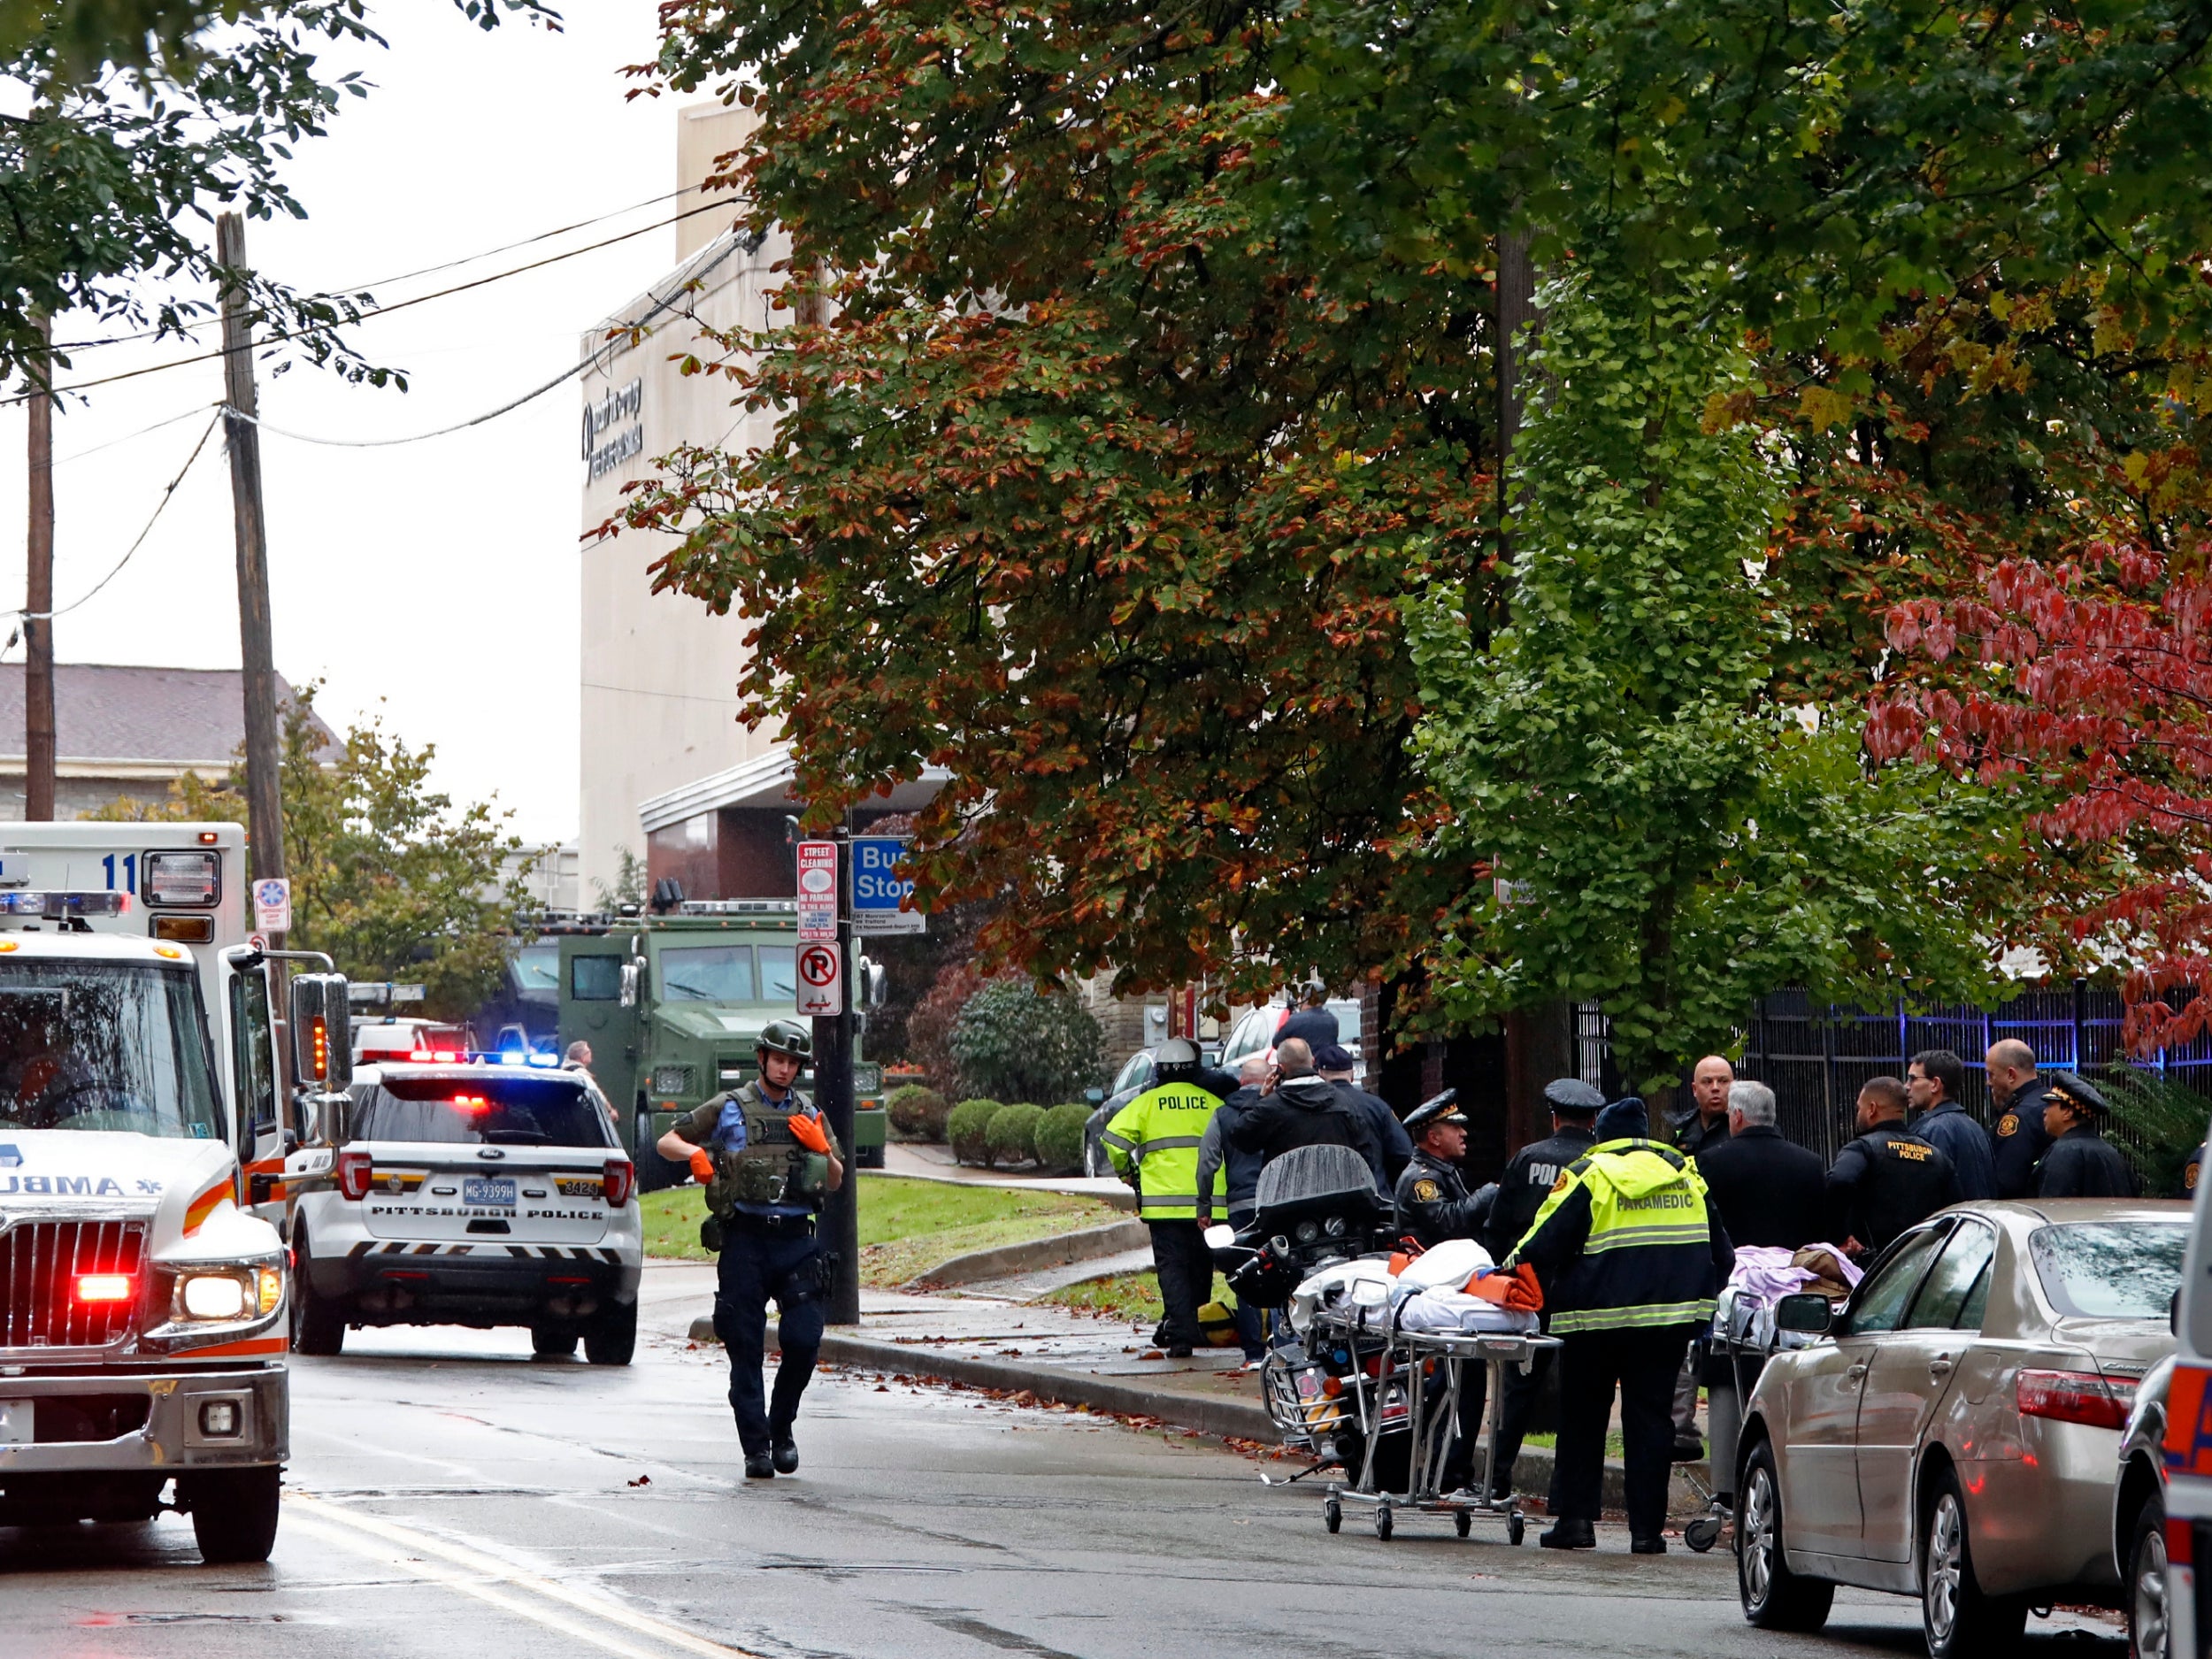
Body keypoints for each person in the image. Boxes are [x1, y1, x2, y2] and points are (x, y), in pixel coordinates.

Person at [1508, 1097, 1734, 1555]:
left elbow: (1540, 1241)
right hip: (1666, 1325)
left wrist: (1505, 1269)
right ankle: (1647, 1533)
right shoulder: (1687, 1178)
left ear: (1601, 1137)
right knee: (1652, 1422)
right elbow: (1724, 1256)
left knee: (1583, 1418)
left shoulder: (1591, 1175)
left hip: (1594, 1322)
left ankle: (1575, 1523)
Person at [656, 1018, 843, 1480]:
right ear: (762, 1059)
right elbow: (667, 1141)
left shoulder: (809, 1112)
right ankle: (756, 1447)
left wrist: (823, 1151)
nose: (784, 1069)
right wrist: (695, 1155)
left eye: (792, 1062)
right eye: (777, 1059)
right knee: (744, 1346)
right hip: (746, 1240)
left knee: (803, 1341)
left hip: (797, 1241)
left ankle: (782, 1429)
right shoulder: (730, 1106)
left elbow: (835, 1180)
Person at [1688, 1079, 1827, 1510]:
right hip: (1789, 1302)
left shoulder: (1710, 1163)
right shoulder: (1809, 1164)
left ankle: (1727, 1490)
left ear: (1737, 1117)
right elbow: (1818, 1238)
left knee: (1726, 1385)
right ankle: (1785, 1487)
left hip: (1734, 1295)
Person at [1481, 1077, 1603, 1500]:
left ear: (1553, 1117)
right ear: (1593, 1120)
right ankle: (1565, 1493)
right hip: (1584, 1291)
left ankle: (1496, 1479)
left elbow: (1497, 1228)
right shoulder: (1599, 1162)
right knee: (1581, 1389)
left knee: (1518, 1388)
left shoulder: (1527, 1159)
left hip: (1529, 1291)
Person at [1101, 1038, 1222, 1358]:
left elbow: (1113, 1138)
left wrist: (1128, 1171)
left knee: (1172, 1269)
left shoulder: (1148, 1103)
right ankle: (1193, 1325)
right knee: (1201, 1267)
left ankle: (1180, 1335)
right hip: (1207, 1203)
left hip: (1164, 1204)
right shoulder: (1211, 1102)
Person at [1826, 1076, 1960, 1256]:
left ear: (1872, 1109)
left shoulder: (1863, 1148)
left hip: (1875, 1266)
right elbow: (1956, 1209)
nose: (1858, 1114)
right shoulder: (1936, 1156)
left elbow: (1839, 1180)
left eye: (1860, 1108)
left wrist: (1840, 1235)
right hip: (1923, 1262)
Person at [1195, 1053, 1271, 1363]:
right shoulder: (1277, 1110)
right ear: (1269, 1080)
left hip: (1240, 1206)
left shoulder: (1223, 1115)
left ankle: (1253, 1353)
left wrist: (1204, 1205)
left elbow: (1206, 1164)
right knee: (1282, 1273)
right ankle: (1282, 1345)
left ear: (1241, 1082)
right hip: (1277, 1202)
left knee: (1246, 1276)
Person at [1225, 1037, 1379, 1179]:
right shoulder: (1344, 1102)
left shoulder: (1271, 1107)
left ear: (1280, 1069)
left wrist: (1259, 1098)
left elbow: (1241, 1138)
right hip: (1336, 1200)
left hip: (1285, 1201)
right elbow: (1367, 1155)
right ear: (1312, 1062)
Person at [1393, 1090, 1489, 1248]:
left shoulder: (1443, 1170)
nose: (1463, 1133)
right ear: (1434, 1138)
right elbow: (1449, 1224)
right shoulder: (1421, 1180)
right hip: (1433, 1268)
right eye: (1455, 1128)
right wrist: (1487, 1195)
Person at [1905, 1048, 1996, 1201]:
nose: (1907, 1086)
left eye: (1913, 1079)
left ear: (1935, 1084)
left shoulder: (1933, 1130)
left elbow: (1923, 1195)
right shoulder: (1975, 1126)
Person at [1317, 1042, 1412, 1186]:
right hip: (1374, 1196)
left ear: (1320, 1074)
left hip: (1328, 1196)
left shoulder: (1314, 1107)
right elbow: (1404, 1152)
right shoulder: (1377, 1106)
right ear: (1352, 1073)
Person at [2035, 1071, 2140, 1197]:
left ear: (2067, 1112)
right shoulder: (2113, 1155)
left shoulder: (2062, 1153)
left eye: (2050, 1105)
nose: (2045, 1111)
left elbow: (2053, 1208)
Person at [1986, 1038, 2056, 1200]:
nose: (1988, 1082)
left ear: (2011, 1075)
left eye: (1991, 1074)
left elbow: (2006, 1184)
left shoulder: (2018, 1118)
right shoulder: (2049, 1102)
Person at [1673, 1056, 1735, 1157]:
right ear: (1695, 1089)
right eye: (1707, 1082)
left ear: (1734, 1086)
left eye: (1723, 1081)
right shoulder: (1681, 1129)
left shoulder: (1745, 1128)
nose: (1715, 1088)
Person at [1273, 983, 1338, 1050]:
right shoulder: (1333, 1021)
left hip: (1301, 1060)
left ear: (1305, 998)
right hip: (1326, 1060)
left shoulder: (1295, 1020)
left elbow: (1276, 1043)